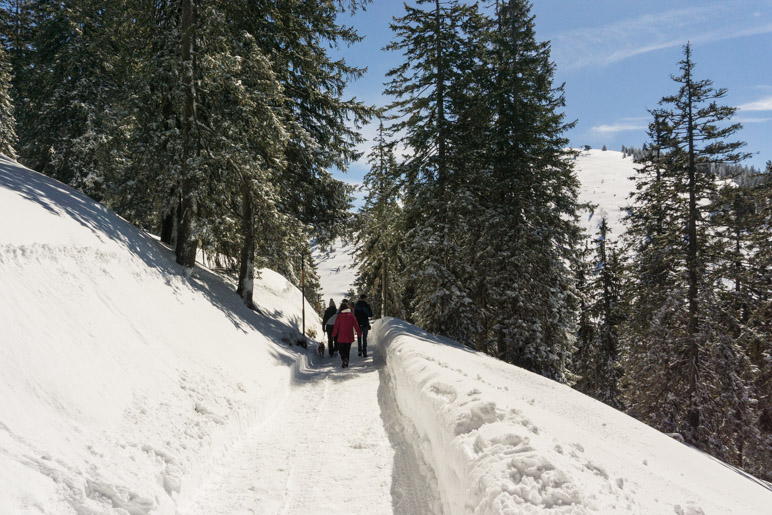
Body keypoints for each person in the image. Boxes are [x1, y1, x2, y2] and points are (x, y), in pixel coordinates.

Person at [332, 300, 361, 368]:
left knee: (340, 349)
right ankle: (346, 363)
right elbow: (356, 325)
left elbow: (336, 327)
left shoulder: (339, 316)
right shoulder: (352, 316)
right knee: (347, 350)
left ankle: (343, 359)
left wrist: (333, 335)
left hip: (341, 336)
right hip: (349, 336)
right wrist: (359, 333)